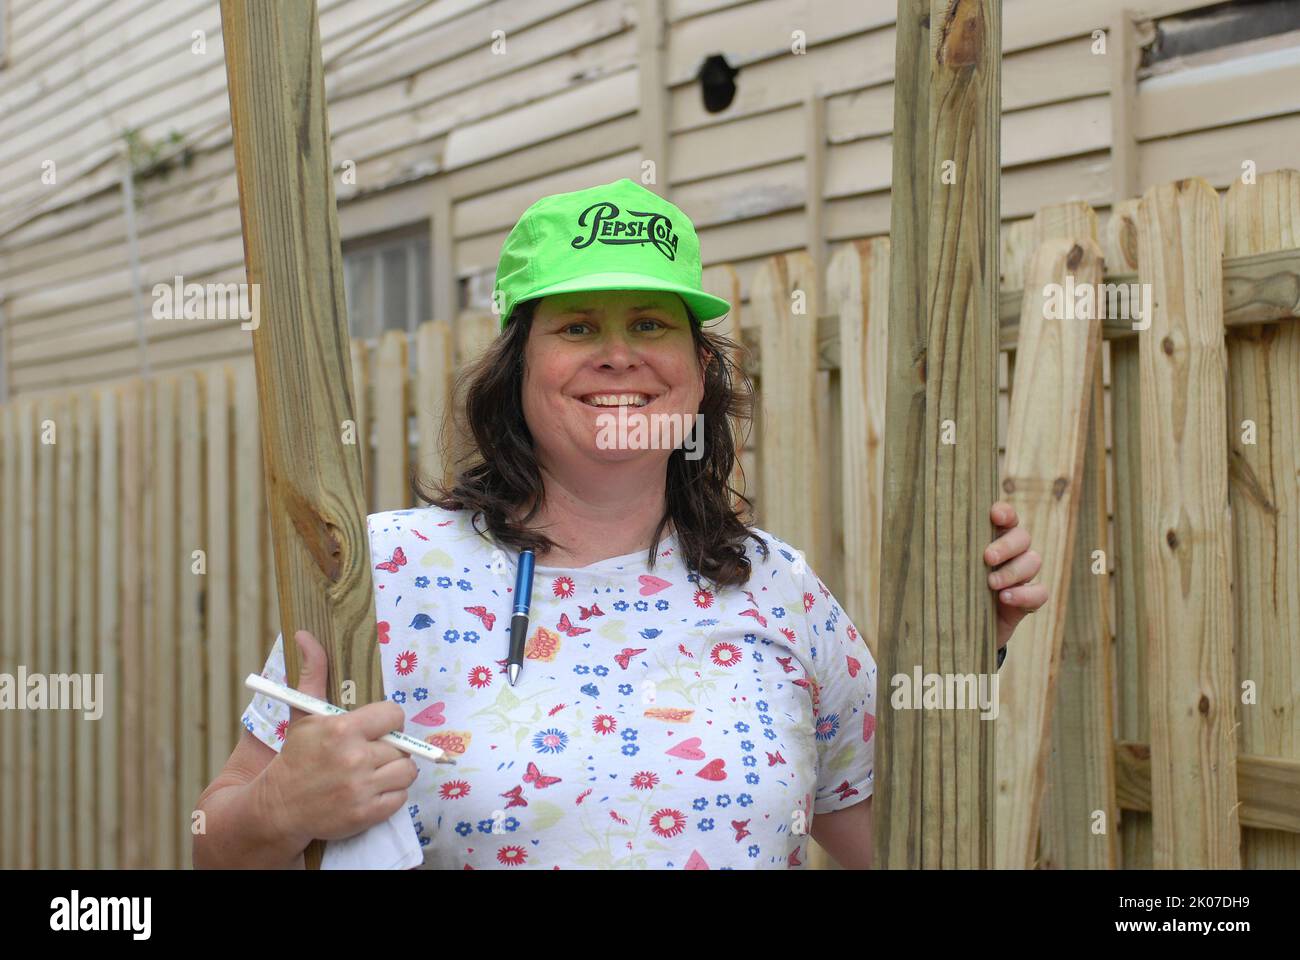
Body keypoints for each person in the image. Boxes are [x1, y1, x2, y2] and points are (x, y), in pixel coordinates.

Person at [193, 177, 1045, 870]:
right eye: (577, 325)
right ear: (518, 366)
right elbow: (211, 846)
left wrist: (971, 647)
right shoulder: (386, 574)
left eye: (649, 322)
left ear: (697, 367)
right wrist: (274, 810)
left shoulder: (782, 591)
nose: (618, 354)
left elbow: (894, 846)